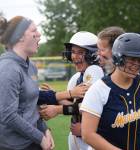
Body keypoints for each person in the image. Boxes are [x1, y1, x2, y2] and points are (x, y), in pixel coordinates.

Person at [80, 33, 140, 150]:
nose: (136, 65)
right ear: (118, 58)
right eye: (132, 59)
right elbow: (88, 134)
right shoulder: (98, 90)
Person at [40, 31, 104, 150]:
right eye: (73, 52)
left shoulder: (95, 71)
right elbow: (74, 105)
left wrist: (57, 109)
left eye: (80, 52)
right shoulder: (77, 77)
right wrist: (55, 96)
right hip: (78, 135)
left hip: (96, 134)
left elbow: (88, 108)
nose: (74, 56)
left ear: (93, 54)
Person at [0, 16, 54, 150]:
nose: (39, 34)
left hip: (32, 141)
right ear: (20, 37)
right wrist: (40, 137)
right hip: (14, 146)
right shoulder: (8, 68)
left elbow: (33, 105)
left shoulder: (31, 66)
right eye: (34, 30)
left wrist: (45, 130)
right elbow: (8, 115)